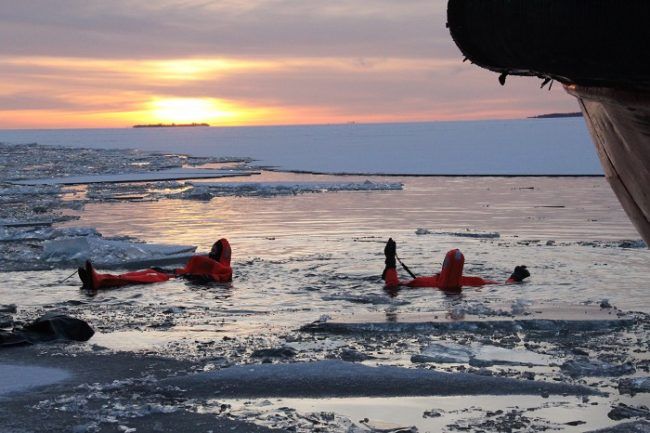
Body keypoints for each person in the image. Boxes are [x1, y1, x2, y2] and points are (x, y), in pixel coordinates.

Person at [77, 238, 232, 291]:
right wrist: (165, 269)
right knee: (145, 272)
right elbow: (185, 270)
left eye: (214, 251)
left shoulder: (225, 270)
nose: (210, 253)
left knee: (145, 277)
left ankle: (100, 281)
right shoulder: (209, 264)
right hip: (173, 276)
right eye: (212, 249)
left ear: (222, 254)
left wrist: (199, 277)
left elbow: (214, 279)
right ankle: (100, 278)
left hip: (172, 280)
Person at [381, 238, 529, 292]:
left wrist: (390, 260)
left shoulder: (423, 282)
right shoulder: (473, 281)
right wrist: (515, 276)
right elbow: (504, 285)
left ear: (444, 266)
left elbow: (392, 285)